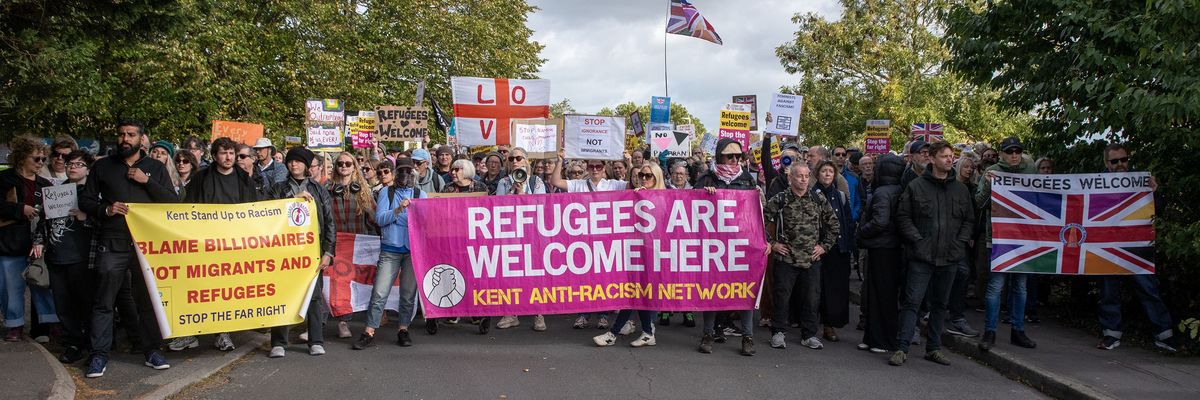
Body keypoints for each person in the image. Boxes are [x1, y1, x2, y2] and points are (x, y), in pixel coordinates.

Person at [78, 120, 179, 377]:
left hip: (147, 245)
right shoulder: (103, 166)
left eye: (131, 134)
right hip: (113, 240)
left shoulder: (154, 168)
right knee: (104, 300)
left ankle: (151, 351)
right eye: (121, 134)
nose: (125, 138)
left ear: (141, 138)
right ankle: (99, 355)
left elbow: (172, 201)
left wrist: (147, 182)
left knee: (147, 300)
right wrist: (106, 209)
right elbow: (86, 200)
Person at [168, 138, 263, 353]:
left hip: (234, 244)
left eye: (232, 153)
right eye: (223, 153)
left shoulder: (244, 180)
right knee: (200, 290)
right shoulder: (201, 178)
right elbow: (188, 209)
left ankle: (223, 333)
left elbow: (255, 211)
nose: (228, 158)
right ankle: (190, 333)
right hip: (205, 244)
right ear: (214, 155)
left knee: (226, 291)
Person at [889, 141, 974, 367]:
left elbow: (968, 220)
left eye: (951, 156)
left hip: (950, 256)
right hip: (922, 257)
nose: (949, 160)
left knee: (940, 304)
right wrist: (917, 240)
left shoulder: (960, 189)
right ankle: (902, 347)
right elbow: (903, 216)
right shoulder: (916, 186)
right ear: (933, 159)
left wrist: (959, 243)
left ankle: (934, 348)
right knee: (912, 302)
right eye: (944, 156)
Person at [1094, 143, 1179, 352]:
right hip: (1108, 247)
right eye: (1115, 161)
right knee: (1109, 292)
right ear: (1106, 162)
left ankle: (1164, 335)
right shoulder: (1095, 183)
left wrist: (1154, 192)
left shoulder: (1141, 180)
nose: (1120, 164)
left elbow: (1158, 210)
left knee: (1148, 289)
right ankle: (1111, 334)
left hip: (1136, 247)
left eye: (1123, 159)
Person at [692, 139, 760, 355]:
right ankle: (708, 333)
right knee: (711, 289)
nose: (734, 160)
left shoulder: (747, 179)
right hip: (714, 245)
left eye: (738, 156)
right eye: (729, 156)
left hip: (741, 245)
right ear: (720, 156)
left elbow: (756, 214)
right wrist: (703, 195)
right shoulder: (706, 178)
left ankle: (747, 337)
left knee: (745, 289)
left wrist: (764, 240)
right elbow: (688, 207)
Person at [266, 147, 335, 358]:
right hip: (284, 251)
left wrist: (328, 251)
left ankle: (316, 340)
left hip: (312, 251)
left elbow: (329, 222)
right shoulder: (278, 188)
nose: (293, 164)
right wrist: (293, 199)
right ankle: (279, 342)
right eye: (290, 161)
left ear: (306, 165)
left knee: (314, 297)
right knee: (282, 294)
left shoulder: (319, 189)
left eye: (298, 161)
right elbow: (269, 214)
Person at [764, 162, 839, 351]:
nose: (804, 180)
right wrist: (773, 244)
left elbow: (834, 225)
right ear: (790, 178)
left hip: (811, 259)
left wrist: (824, 247)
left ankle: (809, 335)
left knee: (811, 299)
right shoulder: (780, 199)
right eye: (799, 176)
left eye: (806, 176)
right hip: (786, 258)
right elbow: (759, 222)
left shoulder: (817, 198)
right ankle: (778, 332)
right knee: (782, 297)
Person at [354, 157, 427, 350]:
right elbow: (380, 219)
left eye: (408, 171)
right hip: (390, 250)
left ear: (413, 173)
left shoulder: (420, 194)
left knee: (408, 294)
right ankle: (369, 331)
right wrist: (399, 210)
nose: (404, 175)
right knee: (379, 292)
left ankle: (403, 329)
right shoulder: (387, 192)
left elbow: (424, 222)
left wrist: (396, 218)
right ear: (395, 173)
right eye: (401, 171)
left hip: (412, 251)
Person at [972, 137, 1037, 351]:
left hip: (1024, 238)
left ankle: (1018, 330)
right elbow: (979, 203)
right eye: (1009, 151)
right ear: (1002, 154)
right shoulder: (993, 172)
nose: (1014, 155)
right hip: (998, 238)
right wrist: (989, 186)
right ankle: (990, 331)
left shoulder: (1031, 172)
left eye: (1017, 151)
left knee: (1020, 287)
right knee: (996, 286)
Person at [31, 150, 95, 362]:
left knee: (86, 303)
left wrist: (85, 217)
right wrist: (39, 240)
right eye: (70, 164)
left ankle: (92, 344)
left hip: (82, 257)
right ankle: (73, 342)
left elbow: (104, 221)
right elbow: (43, 220)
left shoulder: (93, 193)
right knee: (63, 304)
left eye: (78, 164)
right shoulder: (55, 191)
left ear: (88, 169)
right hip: (56, 255)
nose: (72, 167)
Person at [592, 163, 664, 349]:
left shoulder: (665, 198)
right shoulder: (635, 195)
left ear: (657, 178)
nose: (644, 179)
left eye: (649, 176)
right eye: (641, 175)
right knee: (635, 292)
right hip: (635, 251)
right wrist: (635, 198)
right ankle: (646, 333)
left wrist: (708, 192)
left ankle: (614, 333)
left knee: (637, 292)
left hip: (654, 254)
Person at [550, 158, 627, 330]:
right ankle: (583, 314)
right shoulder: (578, 184)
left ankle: (603, 315)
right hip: (583, 239)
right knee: (584, 279)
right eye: (591, 166)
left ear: (604, 168)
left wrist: (628, 163)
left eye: (598, 166)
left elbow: (632, 185)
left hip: (606, 240)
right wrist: (560, 161)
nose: (595, 169)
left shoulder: (613, 184)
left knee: (604, 279)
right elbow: (555, 182)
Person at [2, 136, 58, 343]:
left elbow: (52, 213)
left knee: (42, 284)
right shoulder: (5, 179)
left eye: (43, 159)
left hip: (38, 242)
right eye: (36, 159)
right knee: (11, 287)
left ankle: (50, 324)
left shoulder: (45, 184)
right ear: (22, 157)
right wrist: (19, 209)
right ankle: (14, 325)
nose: (41, 163)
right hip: (11, 242)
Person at [426, 159, 489, 334]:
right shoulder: (447, 189)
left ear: (467, 170)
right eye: (452, 170)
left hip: (474, 238)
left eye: (457, 169)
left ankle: (478, 312)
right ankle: (453, 310)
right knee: (452, 273)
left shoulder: (480, 187)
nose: (453, 172)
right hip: (451, 237)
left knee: (474, 276)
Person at [492, 148, 549, 332]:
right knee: (511, 272)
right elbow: (498, 206)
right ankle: (511, 313)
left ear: (526, 161)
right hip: (511, 234)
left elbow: (542, 205)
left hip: (533, 233)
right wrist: (512, 192)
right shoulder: (504, 182)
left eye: (519, 158)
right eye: (511, 158)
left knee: (535, 273)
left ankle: (538, 312)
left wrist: (524, 194)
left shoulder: (536, 181)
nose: (515, 161)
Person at [326, 152, 378, 338]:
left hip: (356, 245)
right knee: (331, 283)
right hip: (334, 243)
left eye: (348, 163)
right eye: (340, 163)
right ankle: (323, 323)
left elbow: (374, 219)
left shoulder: (363, 191)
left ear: (354, 167)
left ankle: (344, 322)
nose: (344, 166)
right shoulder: (327, 189)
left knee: (348, 284)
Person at [856, 154, 904, 353]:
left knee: (879, 294)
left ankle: (880, 340)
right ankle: (874, 337)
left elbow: (880, 221)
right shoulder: (897, 189)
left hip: (882, 248)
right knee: (881, 294)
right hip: (889, 247)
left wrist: (861, 232)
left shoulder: (883, 192)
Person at [811, 160, 856, 344]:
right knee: (816, 288)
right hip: (817, 248)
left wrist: (849, 245)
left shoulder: (840, 196)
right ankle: (810, 325)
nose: (828, 174)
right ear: (818, 174)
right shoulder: (811, 194)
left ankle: (829, 325)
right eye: (824, 171)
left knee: (834, 289)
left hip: (838, 249)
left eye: (831, 171)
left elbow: (847, 222)